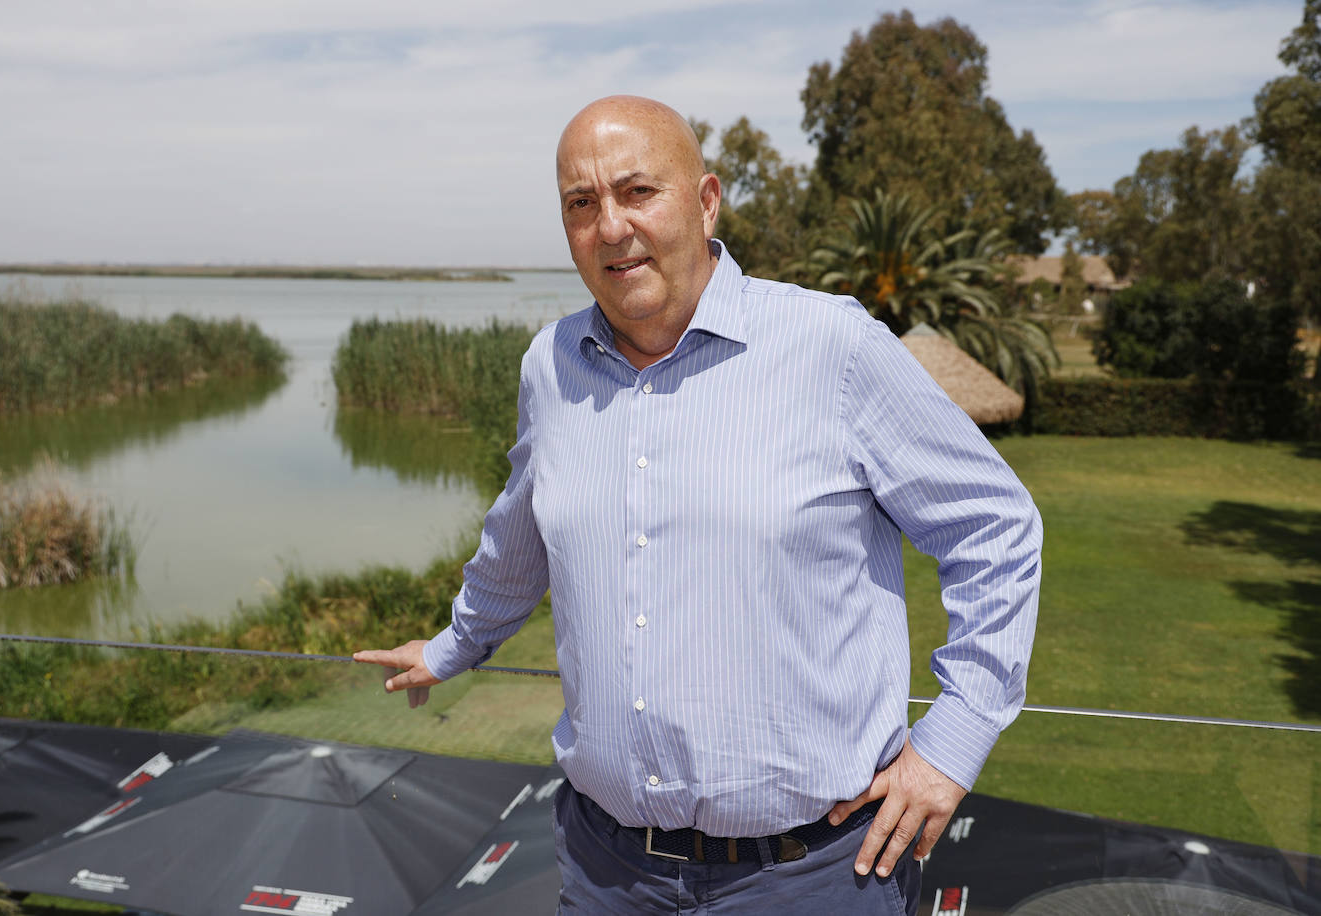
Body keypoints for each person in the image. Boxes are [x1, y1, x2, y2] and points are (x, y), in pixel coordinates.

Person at [355, 95, 1041, 914]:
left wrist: (951, 746)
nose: (610, 227)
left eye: (637, 191)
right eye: (582, 203)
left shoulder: (835, 349)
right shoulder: (552, 366)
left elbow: (994, 528)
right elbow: (521, 535)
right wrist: (454, 644)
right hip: (608, 873)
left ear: (707, 200)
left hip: (816, 878)